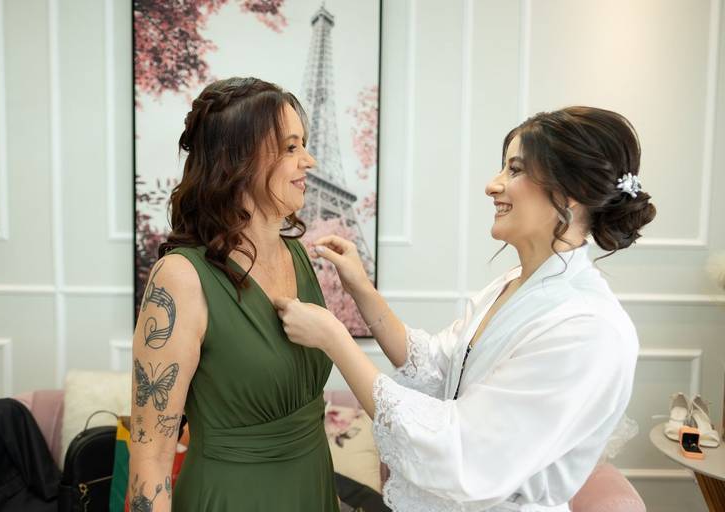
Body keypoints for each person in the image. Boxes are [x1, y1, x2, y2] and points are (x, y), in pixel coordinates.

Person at [276, 106, 656, 511]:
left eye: (514, 169)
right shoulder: (512, 285)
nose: (492, 185)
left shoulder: (589, 328)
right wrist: (361, 289)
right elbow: (435, 367)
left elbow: (465, 450)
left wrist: (335, 339)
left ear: (571, 191)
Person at [129, 77, 339, 512]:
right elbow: (150, 457)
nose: (309, 160)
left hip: (313, 487)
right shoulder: (181, 278)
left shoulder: (298, 255)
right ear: (238, 160)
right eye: (291, 147)